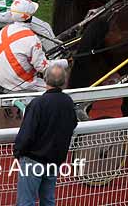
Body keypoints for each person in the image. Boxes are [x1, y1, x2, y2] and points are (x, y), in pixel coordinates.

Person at [13, 63, 78, 206]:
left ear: (45, 80)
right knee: (48, 200)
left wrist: (18, 151)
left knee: (26, 201)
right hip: (54, 160)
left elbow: (27, 133)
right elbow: (73, 124)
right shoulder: (68, 103)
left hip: (33, 160)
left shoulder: (38, 104)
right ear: (64, 81)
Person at [0, 0, 68, 92]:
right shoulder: (32, 39)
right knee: (58, 90)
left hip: (0, 79)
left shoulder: (3, 31)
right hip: (21, 85)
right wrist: (64, 63)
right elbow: (42, 67)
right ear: (30, 17)